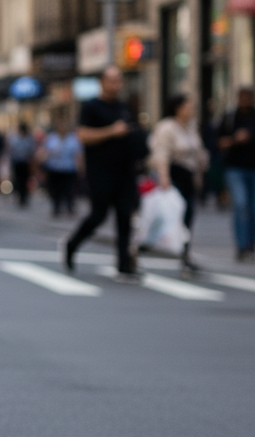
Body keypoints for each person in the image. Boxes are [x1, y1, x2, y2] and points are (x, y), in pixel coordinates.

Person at [64, 66, 140, 279]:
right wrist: (111, 131)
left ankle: (124, 263)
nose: (116, 85)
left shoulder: (125, 107)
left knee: (125, 215)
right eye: (112, 80)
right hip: (100, 171)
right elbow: (83, 135)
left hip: (125, 170)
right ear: (102, 83)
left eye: (119, 80)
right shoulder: (91, 107)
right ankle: (73, 244)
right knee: (99, 214)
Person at [149, 94, 208, 273]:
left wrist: (201, 170)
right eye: (187, 106)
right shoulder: (167, 127)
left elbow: (198, 152)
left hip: (189, 176)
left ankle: (185, 254)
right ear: (177, 108)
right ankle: (150, 245)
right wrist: (164, 177)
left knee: (188, 215)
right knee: (172, 215)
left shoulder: (191, 127)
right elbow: (161, 152)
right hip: (174, 175)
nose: (190, 110)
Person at [218, 85, 255, 261]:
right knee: (240, 205)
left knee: (253, 208)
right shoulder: (229, 118)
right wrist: (235, 139)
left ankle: (250, 243)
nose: (245, 100)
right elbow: (218, 142)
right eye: (242, 97)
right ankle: (241, 245)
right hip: (235, 168)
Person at [41, 117, 82, 217]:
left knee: (69, 189)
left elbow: (78, 154)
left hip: (69, 169)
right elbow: (44, 152)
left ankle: (70, 207)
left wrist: (80, 167)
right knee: (55, 189)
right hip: (54, 168)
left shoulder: (73, 138)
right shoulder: (51, 138)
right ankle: (56, 207)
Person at [8, 121, 35, 207]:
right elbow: (12, 152)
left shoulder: (28, 140)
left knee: (25, 181)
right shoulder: (15, 139)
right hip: (17, 163)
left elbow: (31, 152)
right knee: (18, 181)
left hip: (26, 163)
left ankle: (24, 196)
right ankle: (20, 196)